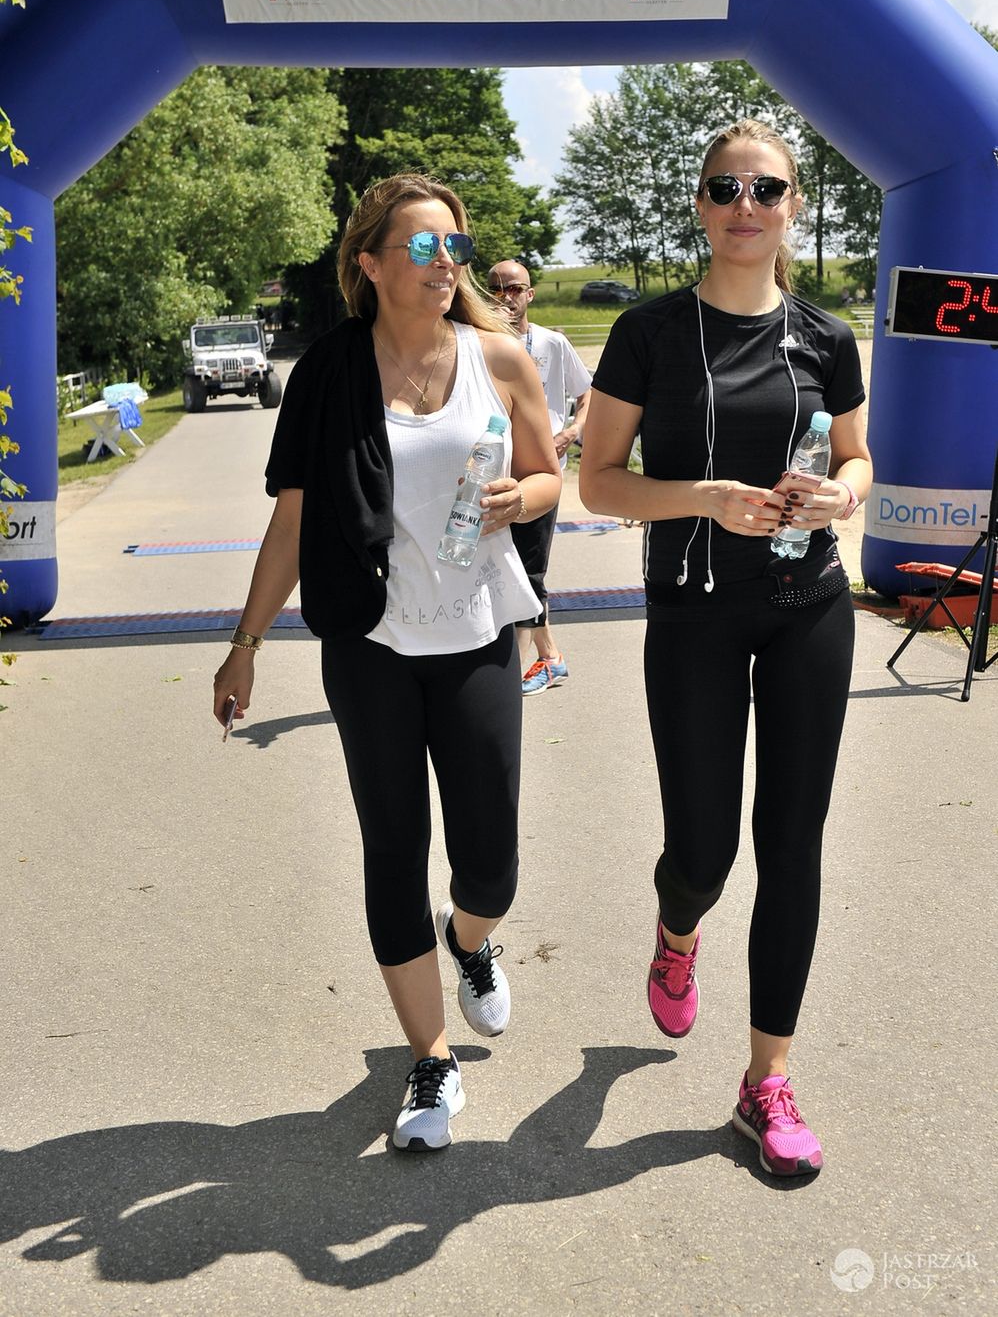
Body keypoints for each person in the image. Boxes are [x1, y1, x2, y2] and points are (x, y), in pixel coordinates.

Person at [213, 173, 560, 1153]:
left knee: (489, 862)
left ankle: (469, 942)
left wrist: (518, 503)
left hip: (478, 634)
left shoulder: (500, 359)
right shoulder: (326, 373)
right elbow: (292, 522)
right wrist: (243, 646)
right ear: (368, 264)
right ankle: (430, 1060)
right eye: (420, 246)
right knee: (392, 850)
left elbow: (547, 475)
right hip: (369, 645)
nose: (442, 262)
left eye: (452, 245)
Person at [579, 119, 872, 1178]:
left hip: (809, 603)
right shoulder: (649, 332)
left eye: (766, 188)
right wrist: (700, 498)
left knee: (792, 844)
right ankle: (675, 930)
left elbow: (854, 451)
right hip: (695, 611)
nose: (744, 204)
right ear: (699, 206)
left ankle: (765, 1083)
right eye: (723, 187)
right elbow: (597, 482)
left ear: (793, 205)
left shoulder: (825, 338)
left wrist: (844, 490)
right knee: (703, 854)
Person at [487, 259, 593, 695]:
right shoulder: (481, 344)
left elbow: (589, 395)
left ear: (530, 294)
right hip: (493, 475)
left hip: (538, 475)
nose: (505, 297)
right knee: (503, 570)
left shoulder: (551, 343)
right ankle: (550, 658)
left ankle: (508, 678)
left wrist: (571, 431)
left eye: (514, 289)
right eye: (496, 289)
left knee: (527, 570)